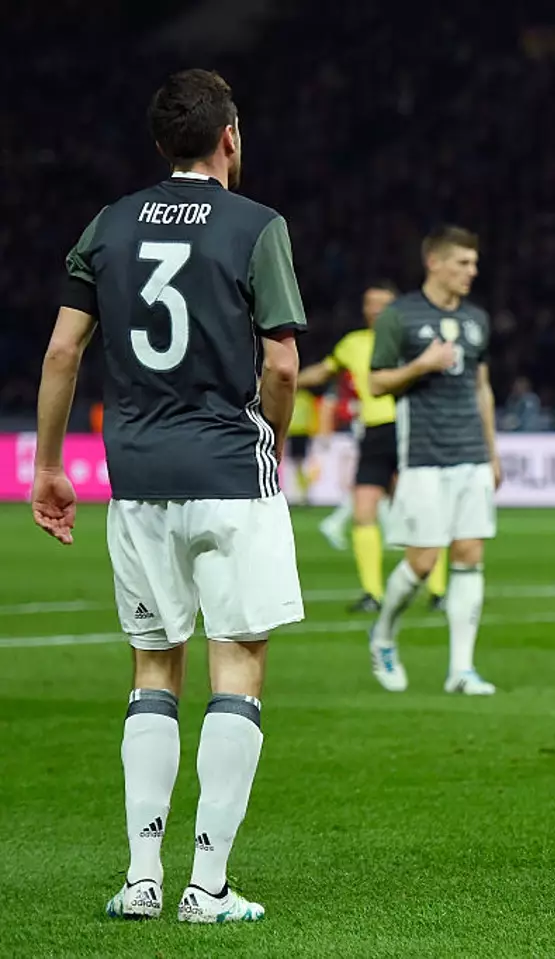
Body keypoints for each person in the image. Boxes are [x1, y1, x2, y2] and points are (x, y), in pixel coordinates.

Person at [31, 68, 303, 923]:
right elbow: (285, 362)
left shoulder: (109, 224)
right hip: (229, 471)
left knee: (154, 666)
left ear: (161, 145)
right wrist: (277, 443)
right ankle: (208, 885)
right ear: (230, 138)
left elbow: (62, 355)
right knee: (240, 660)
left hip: (138, 480)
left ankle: (142, 876)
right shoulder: (258, 226)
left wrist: (48, 465)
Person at [366, 225, 501, 695]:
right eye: (463, 263)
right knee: (423, 562)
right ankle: (383, 633)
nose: (472, 271)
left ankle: (461, 670)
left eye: (474, 263)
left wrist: (492, 452)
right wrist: (421, 366)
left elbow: (482, 388)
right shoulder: (399, 318)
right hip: (423, 455)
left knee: (470, 554)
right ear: (435, 263)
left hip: (471, 454)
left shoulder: (477, 320)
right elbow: (376, 383)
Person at [296, 281, 447, 612]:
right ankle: (372, 594)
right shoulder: (353, 343)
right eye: (370, 303)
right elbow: (324, 371)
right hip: (374, 433)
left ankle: (438, 591)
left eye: (383, 303)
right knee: (364, 510)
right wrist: (286, 378)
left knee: (422, 512)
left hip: (411, 428)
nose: (376, 309)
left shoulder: (413, 339)